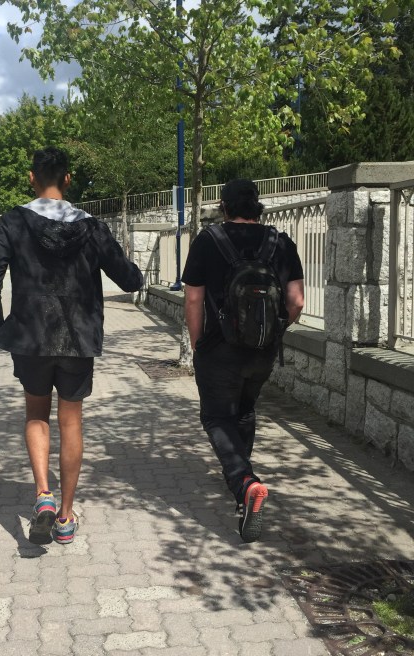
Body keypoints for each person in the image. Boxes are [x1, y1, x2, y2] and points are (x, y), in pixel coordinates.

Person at [0, 146, 143, 546]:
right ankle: (66, 517)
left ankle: (43, 495)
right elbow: (129, 279)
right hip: (78, 339)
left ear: (31, 178)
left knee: (36, 415)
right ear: (68, 179)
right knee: (71, 423)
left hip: (31, 338)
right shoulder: (91, 227)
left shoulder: (14, 222)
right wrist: (134, 273)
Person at [182, 178, 304, 543]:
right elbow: (297, 300)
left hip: (219, 350)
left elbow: (193, 299)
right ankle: (243, 487)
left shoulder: (208, 240)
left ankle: (245, 483)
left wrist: (197, 343)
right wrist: (276, 330)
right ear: (257, 206)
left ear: (224, 207)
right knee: (245, 410)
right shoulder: (280, 242)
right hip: (263, 351)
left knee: (217, 416)